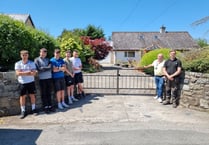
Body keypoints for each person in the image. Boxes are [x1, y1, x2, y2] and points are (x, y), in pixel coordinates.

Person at [15, 50, 38, 119]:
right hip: (22, 82)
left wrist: (23, 73)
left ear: (28, 55)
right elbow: (17, 73)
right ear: (21, 56)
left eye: (26, 55)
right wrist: (28, 72)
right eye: (23, 55)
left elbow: (34, 73)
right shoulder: (18, 63)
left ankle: (33, 109)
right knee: (22, 97)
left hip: (31, 82)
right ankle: (23, 111)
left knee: (32, 95)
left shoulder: (32, 63)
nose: (24, 56)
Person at [34, 48, 55, 113]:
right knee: (43, 94)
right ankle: (45, 107)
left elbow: (50, 67)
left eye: (45, 53)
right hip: (42, 79)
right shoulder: (36, 60)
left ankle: (50, 106)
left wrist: (43, 68)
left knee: (49, 93)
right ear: (40, 52)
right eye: (42, 52)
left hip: (49, 78)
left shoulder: (48, 59)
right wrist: (46, 68)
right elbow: (39, 69)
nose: (43, 54)